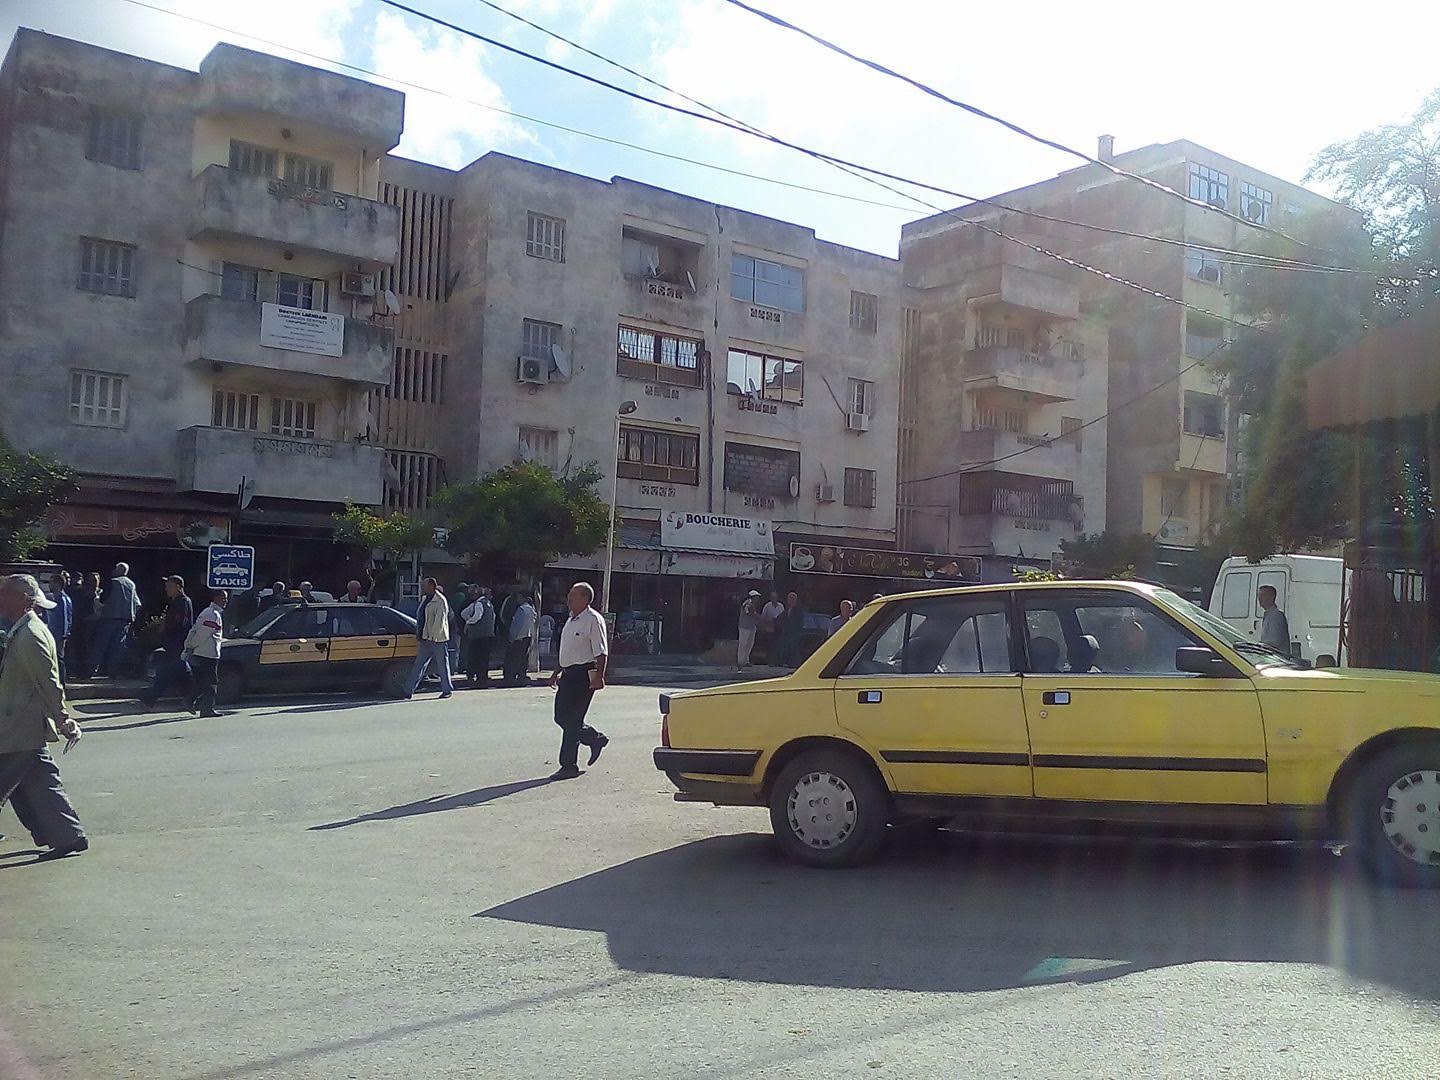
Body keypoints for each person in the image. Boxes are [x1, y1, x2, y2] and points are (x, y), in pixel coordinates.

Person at [0, 574, 88, 860]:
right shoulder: (23, 629)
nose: (0, 597)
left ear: (22, 599)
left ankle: (62, 835)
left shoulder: (31, 634)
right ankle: (66, 836)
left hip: (20, 727)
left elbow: (48, 682)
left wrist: (63, 719)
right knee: (40, 782)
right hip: (21, 726)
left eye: (5, 593)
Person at [547, 582, 610, 780]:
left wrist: (599, 676)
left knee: (573, 720)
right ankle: (594, 738)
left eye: (573, 596)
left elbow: (601, 652)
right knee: (561, 717)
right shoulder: (571, 619)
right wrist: (556, 671)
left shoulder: (593, 620)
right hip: (568, 674)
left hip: (584, 675)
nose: (569, 599)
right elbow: (568, 650)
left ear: (585, 598)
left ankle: (568, 766)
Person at [140, 575, 194, 709]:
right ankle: (191, 697)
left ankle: (150, 697)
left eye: (169, 586)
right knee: (180, 673)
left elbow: (180, 623)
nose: (166, 589)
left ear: (178, 587)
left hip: (177, 643)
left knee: (166, 671)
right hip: (172, 643)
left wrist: (165, 625)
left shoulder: (183, 601)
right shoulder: (176, 601)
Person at [89, 561, 140, 677]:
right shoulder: (132, 584)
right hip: (125, 620)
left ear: (119, 570)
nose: (113, 571)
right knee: (118, 647)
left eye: (115, 569)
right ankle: (112, 672)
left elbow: (102, 600)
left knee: (100, 645)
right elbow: (137, 603)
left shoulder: (113, 582)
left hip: (109, 617)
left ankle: (92, 670)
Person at [406, 577, 453, 699]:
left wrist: (432, 636)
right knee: (419, 665)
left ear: (432, 586)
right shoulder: (424, 599)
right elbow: (421, 617)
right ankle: (408, 690)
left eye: (425, 585)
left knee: (442, 665)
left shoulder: (440, 600)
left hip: (438, 639)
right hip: (425, 637)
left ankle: (447, 689)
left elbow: (440, 621)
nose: (422, 588)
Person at [184, 589, 228, 718]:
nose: (225, 601)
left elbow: (195, 630)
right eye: (223, 598)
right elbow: (203, 633)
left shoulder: (209, 613)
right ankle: (207, 709)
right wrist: (191, 645)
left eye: (226, 598)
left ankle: (191, 700)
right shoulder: (212, 614)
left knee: (202, 681)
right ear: (215, 598)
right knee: (211, 682)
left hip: (204, 651)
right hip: (207, 653)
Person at [42, 570, 74, 684]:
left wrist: (63, 635)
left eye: (51, 582)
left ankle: (61, 683)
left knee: (59, 659)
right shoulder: (55, 598)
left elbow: (65, 618)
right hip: (54, 633)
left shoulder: (62, 599)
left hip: (58, 634)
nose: (49, 585)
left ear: (57, 584)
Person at [460, 586, 496, 687]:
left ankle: (477, 677)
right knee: (481, 657)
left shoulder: (481, 604)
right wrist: (469, 621)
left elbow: (474, 616)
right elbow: (479, 616)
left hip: (480, 635)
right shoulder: (485, 604)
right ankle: (480, 677)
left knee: (477, 657)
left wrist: (468, 621)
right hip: (483, 635)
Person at [68, 571, 100, 679]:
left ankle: (81, 671)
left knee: (80, 649)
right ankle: (85, 671)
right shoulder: (86, 592)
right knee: (85, 648)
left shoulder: (74, 592)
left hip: (79, 622)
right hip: (85, 622)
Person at [504, 593, 537, 686]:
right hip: (528, 636)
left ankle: (510, 679)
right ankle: (521, 677)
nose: (518, 599)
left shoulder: (521, 609)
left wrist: (511, 638)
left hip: (519, 637)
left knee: (514, 659)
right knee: (523, 659)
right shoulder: (531, 610)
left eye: (519, 597)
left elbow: (516, 626)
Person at [1259, 585, 1292, 655]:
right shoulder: (1268, 615)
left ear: (1272, 597)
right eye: (1259, 595)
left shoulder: (1276, 615)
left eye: (1263, 595)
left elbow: (1275, 642)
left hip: (1277, 659)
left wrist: (1259, 646)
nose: (1259, 598)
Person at [777, 591, 805, 668]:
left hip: (794, 634)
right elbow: (781, 618)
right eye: (789, 599)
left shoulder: (798, 609)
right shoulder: (787, 609)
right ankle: (783, 662)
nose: (790, 601)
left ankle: (793, 664)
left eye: (792, 599)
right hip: (786, 634)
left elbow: (799, 622)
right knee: (785, 648)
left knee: (794, 649)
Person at [758, 591, 785, 664]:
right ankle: (770, 661)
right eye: (772, 597)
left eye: (775, 597)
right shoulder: (767, 606)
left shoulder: (781, 606)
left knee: (778, 645)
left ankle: (778, 661)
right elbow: (763, 617)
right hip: (769, 628)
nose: (774, 598)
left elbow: (783, 617)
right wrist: (769, 621)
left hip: (779, 628)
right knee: (770, 645)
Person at [737, 590, 761, 670]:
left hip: (751, 626)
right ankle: (740, 661)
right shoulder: (747, 603)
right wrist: (757, 616)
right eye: (757, 597)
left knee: (749, 644)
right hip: (745, 627)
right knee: (743, 644)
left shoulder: (753, 604)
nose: (758, 598)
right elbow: (747, 612)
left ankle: (746, 660)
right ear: (753, 597)